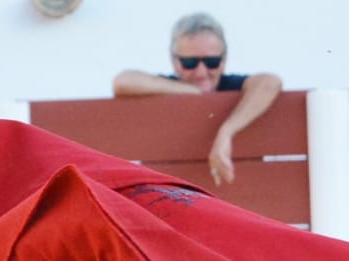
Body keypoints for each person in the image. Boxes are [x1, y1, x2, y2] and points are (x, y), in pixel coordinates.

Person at [113, 13, 283, 185]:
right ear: (174, 61)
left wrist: (227, 131)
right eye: (190, 63)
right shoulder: (165, 85)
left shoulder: (233, 86)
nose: (201, 73)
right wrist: (190, 91)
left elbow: (269, 82)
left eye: (212, 62)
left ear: (224, 60)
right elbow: (123, 82)